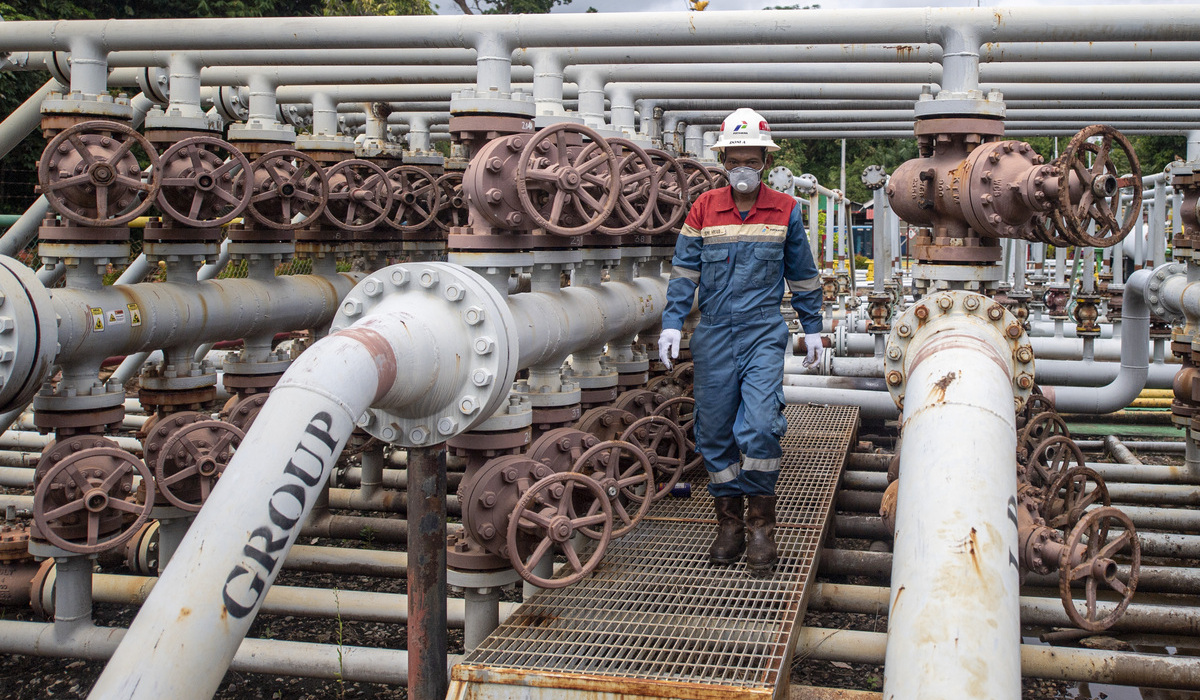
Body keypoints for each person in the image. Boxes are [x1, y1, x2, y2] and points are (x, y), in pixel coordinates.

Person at [657, 108, 823, 577]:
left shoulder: (786, 210)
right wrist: (672, 322)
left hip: (762, 333)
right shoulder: (703, 209)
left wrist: (813, 328)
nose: (742, 168)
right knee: (713, 432)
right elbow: (685, 271)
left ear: (765, 163)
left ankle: (761, 526)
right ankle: (727, 522)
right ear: (723, 161)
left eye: (752, 160)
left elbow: (804, 276)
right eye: (734, 160)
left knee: (761, 426)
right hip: (713, 334)